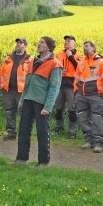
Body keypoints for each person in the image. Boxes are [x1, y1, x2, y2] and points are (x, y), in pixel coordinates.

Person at [14, 37, 63, 166]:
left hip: (42, 102)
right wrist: (22, 101)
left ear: (49, 47)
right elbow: (27, 84)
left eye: (42, 43)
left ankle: (43, 162)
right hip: (28, 100)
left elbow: (54, 88)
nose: (38, 44)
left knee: (42, 132)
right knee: (23, 130)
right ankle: (21, 159)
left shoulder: (55, 64)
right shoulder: (33, 61)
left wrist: (48, 107)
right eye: (39, 42)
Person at [74, 40, 103, 153]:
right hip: (81, 96)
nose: (85, 49)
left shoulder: (101, 62)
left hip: (95, 96)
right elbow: (76, 77)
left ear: (94, 48)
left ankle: (98, 143)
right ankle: (89, 140)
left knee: (97, 119)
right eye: (83, 47)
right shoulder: (81, 62)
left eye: (87, 47)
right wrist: (76, 91)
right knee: (83, 118)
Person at [0, 38, 33, 140]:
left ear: (25, 45)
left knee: (23, 112)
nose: (18, 44)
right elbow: (2, 72)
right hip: (8, 90)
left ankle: (24, 134)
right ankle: (11, 133)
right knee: (9, 111)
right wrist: (2, 85)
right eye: (17, 43)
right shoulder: (8, 58)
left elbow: (33, 75)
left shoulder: (30, 59)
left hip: (22, 91)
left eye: (21, 43)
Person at [54, 35, 79, 138]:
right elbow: (53, 66)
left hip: (71, 85)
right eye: (65, 41)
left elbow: (80, 68)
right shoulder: (59, 54)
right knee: (58, 108)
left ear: (74, 43)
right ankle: (59, 128)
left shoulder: (78, 55)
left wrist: (70, 57)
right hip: (59, 85)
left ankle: (72, 132)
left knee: (71, 109)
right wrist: (60, 71)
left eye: (69, 41)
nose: (66, 42)